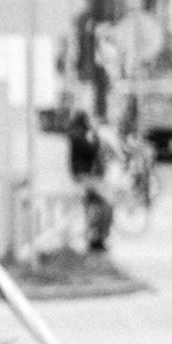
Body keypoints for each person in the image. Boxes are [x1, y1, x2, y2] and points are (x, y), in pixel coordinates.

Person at [67, 108, 113, 252]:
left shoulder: (76, 135)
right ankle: (97, 239)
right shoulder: (78, 137)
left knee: (95, 208)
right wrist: (95, 131)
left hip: (85, 178)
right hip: (85, 179)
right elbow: (94, 149)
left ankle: (96, 238)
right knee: (106, 206)